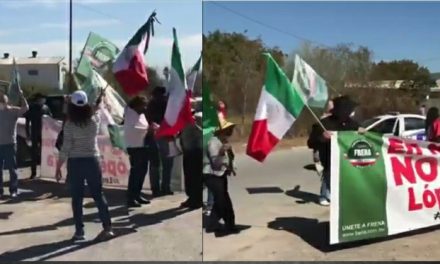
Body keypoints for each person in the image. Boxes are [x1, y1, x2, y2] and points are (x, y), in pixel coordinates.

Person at [55, 90, 114, 241]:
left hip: (75, 163)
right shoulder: (94, 121)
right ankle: (107, 228)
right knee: (98, 195)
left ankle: (79, 231)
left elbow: (66, 148)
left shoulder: (69, 125)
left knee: (77, 198)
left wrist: (58, 167)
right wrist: (99, 99)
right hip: (92, 160)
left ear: (71, 106)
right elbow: (96, 109)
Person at [308, 95, 359, 206]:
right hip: (329, 161)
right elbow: (310, 143)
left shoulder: (352, 124)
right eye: (350, 109)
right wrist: (322, 137)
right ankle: (325, 197)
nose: (352, 112)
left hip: (348, 163)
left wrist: (365, 133)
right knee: (331, 183)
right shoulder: (323, 124)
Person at [203, 117, 238, 234]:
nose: (229, 134)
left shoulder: (223, 142)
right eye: (227, 131)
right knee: (223, 202)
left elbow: (230, 159)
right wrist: (221, 152)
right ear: (221, 132)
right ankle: (230, 226)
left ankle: (212, 224)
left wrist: (231, 167)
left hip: (221, 175)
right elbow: (216, 163)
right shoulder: (213, 142)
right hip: (212, 176)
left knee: (220, 201)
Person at [145, 86, 173, 197]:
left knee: (154, 163)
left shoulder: (150, 104)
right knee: (167, 163)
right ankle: (166, 187)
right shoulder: (167, 104)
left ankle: (155, 189)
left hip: (153, 135)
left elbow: (147, 119)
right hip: (166, 134)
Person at [0, 91, 29, 199]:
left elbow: (26, 108)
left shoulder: (13, 111)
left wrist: (22, 95)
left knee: (12, 169)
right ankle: (0, 191)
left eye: (3, 102)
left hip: (10, 144)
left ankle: (14, 190)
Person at [124, 96, 151, 208]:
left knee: (142, 172)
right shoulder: (130, 114)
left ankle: (137, 194)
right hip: (135, 147)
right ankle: (131, 197)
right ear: (136, 105)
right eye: (142, 105)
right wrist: (148, 130)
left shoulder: (141, 114)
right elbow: (133, 129)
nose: (144, 107)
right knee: (135, 173)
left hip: (143, 145)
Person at [25, 93, 52, 179]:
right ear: (37, 99)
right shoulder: (32, 107)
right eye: (41, 99)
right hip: (34, 133)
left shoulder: (46, 108)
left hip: (44, 134)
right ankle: (33, 173)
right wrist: (27, 134)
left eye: (44, 99)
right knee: (34, 153)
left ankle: (44, 172)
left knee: (44, 153)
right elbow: (27, 121)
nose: (43, 100)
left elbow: (51, 119)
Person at [180, 111, 203, 209]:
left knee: (195, 177)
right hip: (187, 152)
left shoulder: (195, 121)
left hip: (195, 153)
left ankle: (196, 200)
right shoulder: (183, 122)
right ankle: (191, 198)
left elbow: (202, 132)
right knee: (189, 177)